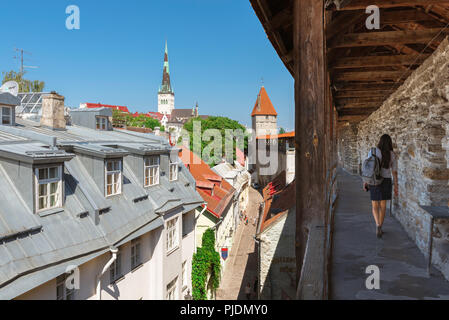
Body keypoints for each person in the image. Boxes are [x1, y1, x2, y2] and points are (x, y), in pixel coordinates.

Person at [363, 134, 399, 238]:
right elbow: (394, 172)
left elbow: (368, 168)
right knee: (383, 206)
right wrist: (396, 186)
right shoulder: (392, 154)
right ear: (390, 143)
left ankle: (377, 224)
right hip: (386, 181)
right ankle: (380, 226)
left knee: (374, 205)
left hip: (374, 180)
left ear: (380, 141)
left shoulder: (373, 151)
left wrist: (365, 182)